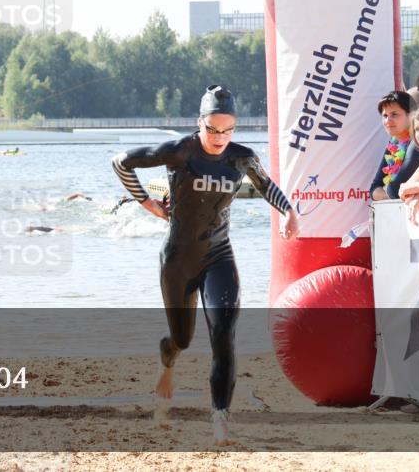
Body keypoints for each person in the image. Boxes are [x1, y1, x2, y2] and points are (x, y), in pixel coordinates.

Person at [111, 84, 299, 446]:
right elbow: (121, 162)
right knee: (181, 338)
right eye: (213, 129)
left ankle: (220, 420)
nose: (220, 137)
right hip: (178, 260)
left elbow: (267, 186)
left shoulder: (241, 157)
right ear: (199, 123)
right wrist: (147, 203)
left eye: (228, 129)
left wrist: (288, 212)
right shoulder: (180, 151)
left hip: (218, 256)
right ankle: (167, 365)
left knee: (223, 334)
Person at [369, 91, 419, 201]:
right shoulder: (394, 143)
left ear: (412, 115)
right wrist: (389, 193)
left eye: (394, 114)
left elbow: (395, 189)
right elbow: (374, 189)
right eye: (385, 115)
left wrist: (387, 192)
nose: (387, 121)